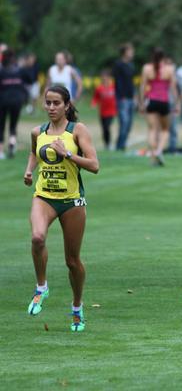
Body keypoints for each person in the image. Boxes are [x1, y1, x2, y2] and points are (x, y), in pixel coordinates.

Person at [24, 84, 99, 332]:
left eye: (57, 103)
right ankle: (41, 287)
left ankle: (77, 307)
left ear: (67, 105)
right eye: (48, 103)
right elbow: (35, 152)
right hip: (44, 196)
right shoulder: (38, 131)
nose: (52, 107)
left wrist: (67, 154)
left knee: (72, 261)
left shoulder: (77, 131)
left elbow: (94, 165)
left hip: (71, 201)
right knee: (37, 238)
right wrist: (29, 170)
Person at [139, 47, 178, 166]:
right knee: (165, 130)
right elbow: (173, 88)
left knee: (152, 129)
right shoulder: (169, 69)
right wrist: (176, 104)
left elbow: (142, 86)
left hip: (151, 101)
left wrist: (141, 103)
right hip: (164, 102)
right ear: (164, 57)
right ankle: (159, 151)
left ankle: (155, 153)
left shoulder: (147, 68)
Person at [0, 48, 31, 159]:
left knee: (1, 126)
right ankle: (12, 144)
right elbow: (28, 81)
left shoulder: (1, 71)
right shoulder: (19, 71)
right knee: (13, 125)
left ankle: (1, 151)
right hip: (17, 101)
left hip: (3, 101)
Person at [112, 43, 136, 151]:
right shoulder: (118, 65)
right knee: (124, 122)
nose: (132, 53)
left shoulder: (131, 65)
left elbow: (132, 82)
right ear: (124, 52)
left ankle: (123, 144)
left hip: (131, 97)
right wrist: (120, 96)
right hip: (122, 98)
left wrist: (135, 95)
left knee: (129, 123)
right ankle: (119, 146)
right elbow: (117, 82)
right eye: (130, 51)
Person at [91, 69, 117, 150]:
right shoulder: (99, 88)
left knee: (107, 127)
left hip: (112, 111)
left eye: (106, 77)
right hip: (102, 112)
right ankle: (106, 144)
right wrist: (94, 103)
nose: (104, 78)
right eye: (102, 77)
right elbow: (96, 98)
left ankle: (108, 143)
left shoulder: (114, 87)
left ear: (109, 77)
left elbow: (118, 97)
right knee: (104, 128)